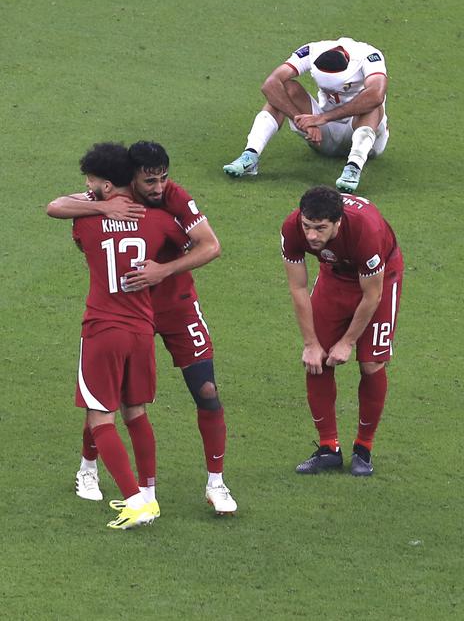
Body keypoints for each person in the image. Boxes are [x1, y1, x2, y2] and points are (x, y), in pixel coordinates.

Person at [48, 142, 238, 515]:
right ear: (131, 178)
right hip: (132, 308)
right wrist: (102, 205)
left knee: (207, 389)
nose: (159, 187)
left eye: (164, 177)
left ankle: (216, 482)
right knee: (113, 393)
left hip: (176, 305)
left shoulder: (175, 199)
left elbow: (210, 246)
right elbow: (56, 205)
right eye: (150, 180)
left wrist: (162, 271)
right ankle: (88, 468)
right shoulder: (109, 193)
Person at [60, 142, 189, 529]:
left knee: (100, 418)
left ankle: (134, 501)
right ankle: (149, 494)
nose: (87, 184)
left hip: (102, 328)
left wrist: (97, 205)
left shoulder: (85, 221)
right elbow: (184, 243)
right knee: (136, 413)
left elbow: (59, 209)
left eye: (92, 180)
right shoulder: (158, 221)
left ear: (105, 184)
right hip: (141, 330)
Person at [280, 186, 404, 476]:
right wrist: (311, 343)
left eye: (320, 228)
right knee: (317, 361)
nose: (311, 235)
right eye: (307, 226)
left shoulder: (366, 230)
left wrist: (347, 342)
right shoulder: (291, 227)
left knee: (372, 363)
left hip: (380, 278)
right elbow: (297, 287)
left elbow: (371, 296)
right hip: (334, 276)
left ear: (338, 222)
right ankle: (328, 448)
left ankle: (363, 448)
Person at [224, 37, 390, 193]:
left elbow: (376, 95)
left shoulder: (369, 56)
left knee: (372, 106)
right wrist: (301, 120)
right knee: (284, 90)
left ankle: (353, 167)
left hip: (366, 140)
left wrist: (324, 117)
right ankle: (251, 154)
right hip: (322, 134)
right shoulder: (311, 51)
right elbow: (270, 84)